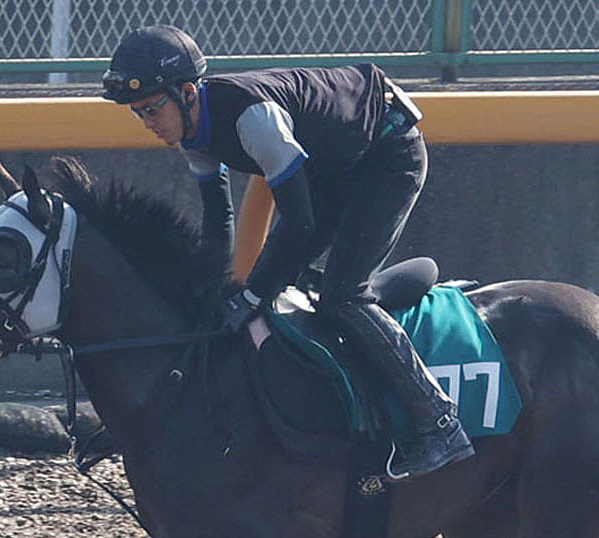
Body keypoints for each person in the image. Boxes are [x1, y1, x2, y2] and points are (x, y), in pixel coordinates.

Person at [101, 25, 473, 479]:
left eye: (152, 109)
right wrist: (208, 291)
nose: (149, 124)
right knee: (280, 279)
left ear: (187, 93)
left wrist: (253, 294)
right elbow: (218, 221)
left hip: (388, 154)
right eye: (139, 114)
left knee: (343, 294)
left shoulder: (252, 120)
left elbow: (300, 224)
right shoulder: (193, 135)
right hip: (336, 163)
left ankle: (439, 423)